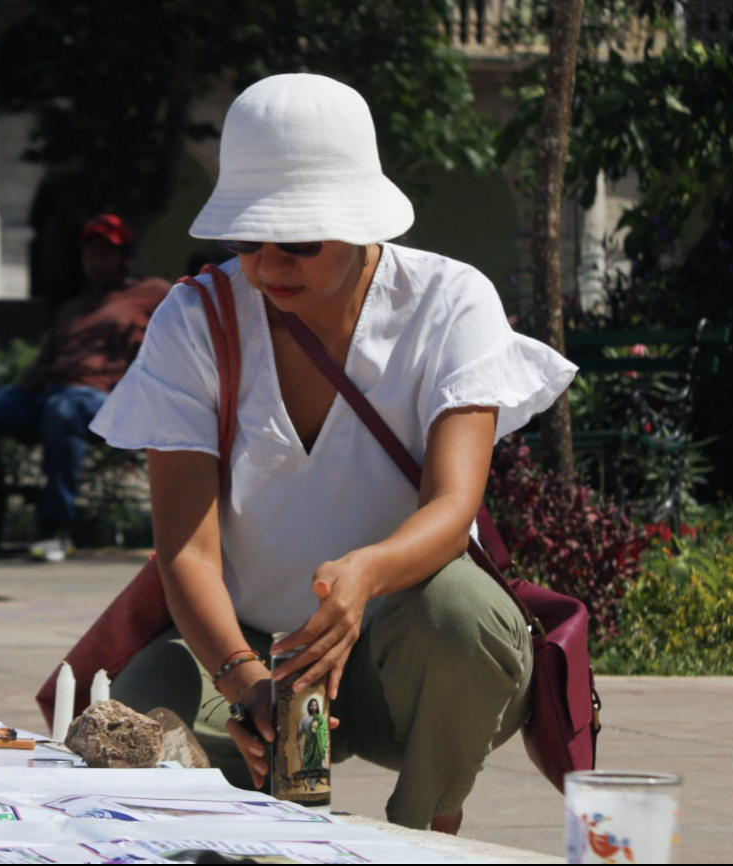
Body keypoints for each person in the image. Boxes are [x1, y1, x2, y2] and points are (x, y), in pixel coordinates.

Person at [92, 74, 576, 831]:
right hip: (245, 646)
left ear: (359, 223)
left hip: (399, 661)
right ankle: (254, 828)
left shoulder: (449, 302)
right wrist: (247, 681)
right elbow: (184, 550)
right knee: (131, 732)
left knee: (459, 615)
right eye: (248, 240)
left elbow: (453, 509)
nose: (268, 266)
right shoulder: (196, 319)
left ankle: (421, 834)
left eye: (298, 242)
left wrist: (365, 576)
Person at [0, 214, 171, 562]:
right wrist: (35, 373)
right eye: (90, 252)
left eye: (106, 252)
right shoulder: (73, 308)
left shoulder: (154, 293)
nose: (96, 260)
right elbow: (47, 359)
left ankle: (55, 529)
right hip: (48, 393)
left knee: (64, 408)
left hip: (102, 399)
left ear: (126, 256)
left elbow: (185, 331)